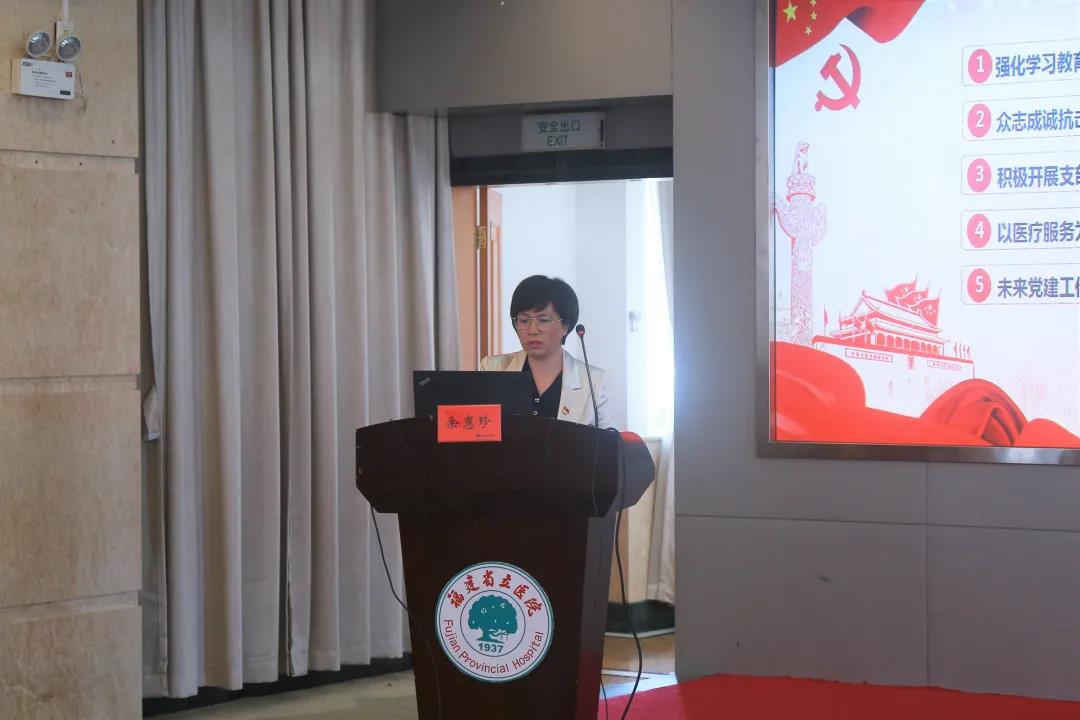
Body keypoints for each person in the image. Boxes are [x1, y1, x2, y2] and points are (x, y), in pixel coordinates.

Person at [480, 275, 612, 428]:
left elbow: (608, 441)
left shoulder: (594, 382)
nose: (532, 330)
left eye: (543, 320)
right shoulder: (493, 369)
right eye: (524, 320)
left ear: (565, 326)